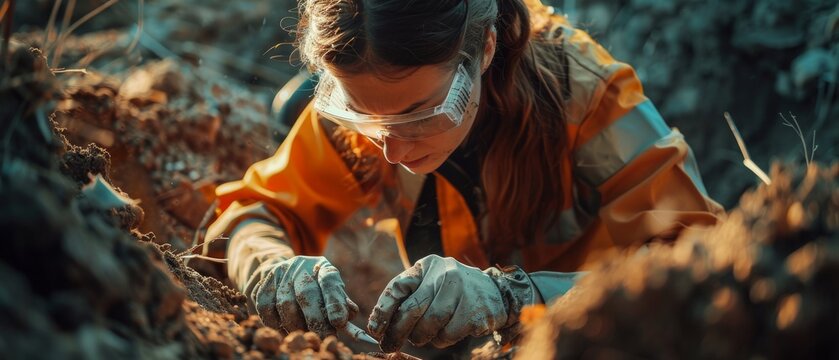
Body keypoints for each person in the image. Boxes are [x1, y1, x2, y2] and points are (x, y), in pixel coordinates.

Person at [202, 0, 723, 356]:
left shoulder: (586, 95)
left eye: (420, 115)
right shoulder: (367, 83)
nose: (391, 149)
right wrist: (271, 268)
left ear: (486, 49)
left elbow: (701, 267)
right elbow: (252, 214)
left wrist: (515, 298)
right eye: (364, 119)